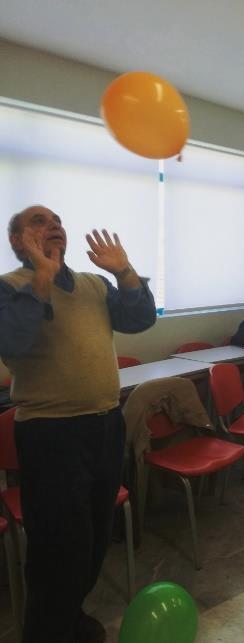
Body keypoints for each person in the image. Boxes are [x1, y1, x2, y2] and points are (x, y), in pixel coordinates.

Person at [0, 206, 156, 643]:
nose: (52, 225)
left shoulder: (94, 284)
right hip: (51, 434)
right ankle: (46, 631)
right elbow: (12, 341)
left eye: (56, 221)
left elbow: (140, 319)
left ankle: (69, 617)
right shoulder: (9, 288)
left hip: (105, 426)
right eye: (37, 221)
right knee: (56, 549)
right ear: (16, 241)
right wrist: (43, 277)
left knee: (93, 539)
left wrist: (124, 271)